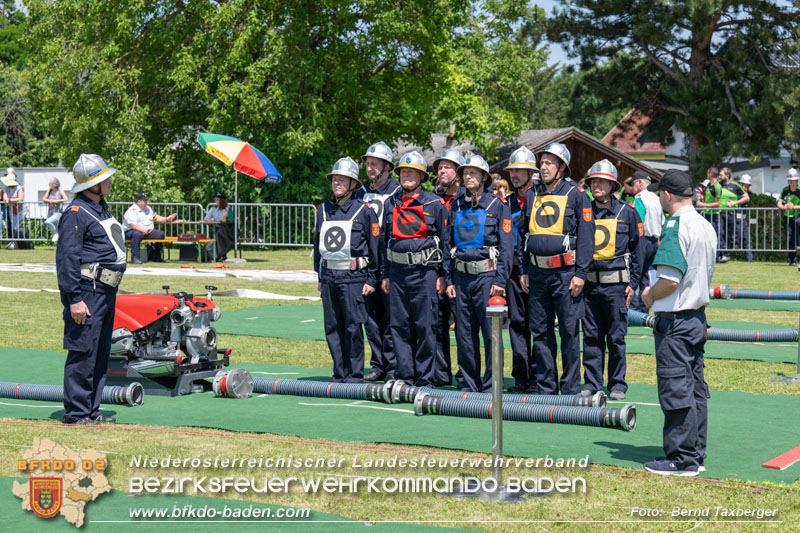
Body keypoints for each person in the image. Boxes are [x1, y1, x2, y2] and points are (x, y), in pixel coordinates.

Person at [641, 169, 716, 476]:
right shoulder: (705, 224)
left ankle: (681, 458)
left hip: (676, 319)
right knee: (695, 388)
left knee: (676, 388)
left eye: (660, 194)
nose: (659, 198)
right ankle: (694, 453)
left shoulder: (675, 225)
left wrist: (648, 296)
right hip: (697, 316)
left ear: (668, 196)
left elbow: (670, 280)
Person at [517, 142, 594, 395]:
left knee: (570, 333)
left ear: (562, 168)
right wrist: (524, 270)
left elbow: (586, 237)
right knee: (540, 332)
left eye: (550, 162)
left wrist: (581, 274)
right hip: (537, 275)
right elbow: (523, 234)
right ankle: (546, 387)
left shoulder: (577, 194)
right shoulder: (532, 194)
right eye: (543, 162)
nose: (544, 166)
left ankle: (571, 388)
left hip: (566, 275)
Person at [56, 154, 127, 425]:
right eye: (104, 178)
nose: (109, 181)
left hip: (105, 291)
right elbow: (67, 260)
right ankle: (76, 414)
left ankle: (91, 411)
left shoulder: (100, 208)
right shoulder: (76, 213)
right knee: (83, 351)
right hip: (87, 291)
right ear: (92, 185)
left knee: (99, 353)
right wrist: (74, 299)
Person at [445, 154, 513, 392]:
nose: (468, 177)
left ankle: (491, 385)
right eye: (465, 173)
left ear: (484, 177)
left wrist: (501, 280)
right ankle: (468, 384)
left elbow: (506, 246)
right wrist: (449, 278)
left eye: (473, 173)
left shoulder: (498, 205)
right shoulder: (456, 206)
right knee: (464, 335)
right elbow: (447, 245)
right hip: (461, 279)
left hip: (488, 279)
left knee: (491, 335)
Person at [382, 150, 448, 388]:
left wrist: (443, 276)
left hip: (425, 273)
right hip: (398, 274)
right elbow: (384, 242)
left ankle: (425, 379)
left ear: (421, 176)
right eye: (403, 172)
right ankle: (405, 376)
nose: (407, 176)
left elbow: (446, 241)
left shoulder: (435, 203)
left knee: (425, 326)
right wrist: (386, 274)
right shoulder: (391, 203)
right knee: (399, 326)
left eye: (412, 172)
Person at [581, 159, 644, 401]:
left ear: (612, 185)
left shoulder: (627, 212)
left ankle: (617, 384)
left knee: (616, 337)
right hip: (589, 285)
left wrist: (633, 284)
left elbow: (639, 251)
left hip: (617, 286)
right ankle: (592, 382)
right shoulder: (584, 211)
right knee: (591, 336)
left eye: (601, 181)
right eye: (593, 181)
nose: (596, 185)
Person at [313, 157, 379, 383]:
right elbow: (317, 245)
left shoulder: (364, 210)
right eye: (334, 180)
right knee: (332, 328)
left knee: (352, 327)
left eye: (343, 180)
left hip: (354, 278)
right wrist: (320, 276)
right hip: (330, 277)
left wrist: (372, 279)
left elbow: (374, 248)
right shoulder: (323, 210)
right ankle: (339, 373)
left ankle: (354, 375)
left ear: (353, 184)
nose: (337, 183)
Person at [504, 145, 556, 393]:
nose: (514, 175)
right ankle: (521, 377)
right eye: (512, 171)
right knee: (516, 323)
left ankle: (539, 377)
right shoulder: (505, 203)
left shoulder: (540, 198)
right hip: (513, 271)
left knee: (540, 325)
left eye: (520, 171)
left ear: (531, 173)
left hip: (537, 270)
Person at [355, 141, 400, 382]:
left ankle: (393, 367)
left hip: (389, 261)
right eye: (368, 164)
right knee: (371, 318)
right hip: (366, 264)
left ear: (387, 167)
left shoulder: (397, 191)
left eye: (375, 164)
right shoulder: (360, 193)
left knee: (391, 318)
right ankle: (378, 364)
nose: (370, 168)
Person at [431, 148, 466, 387]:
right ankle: (441, 373)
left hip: (459, 270)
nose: (442, 171)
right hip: (433, 270)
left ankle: (466, 374)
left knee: (463, 326)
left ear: (458, 173)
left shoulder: (468, 197)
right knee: (436, 322)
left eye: (447, 167)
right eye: (440, 167)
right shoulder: (432, 198)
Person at [629, 170, 665, 312]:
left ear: (640, 183)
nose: (632, 187)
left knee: (634, 275)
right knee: (648, 276)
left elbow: (638, 221)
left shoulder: (640, 198)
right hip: (655, 241)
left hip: (642, 241)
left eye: (633, 184)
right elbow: (662, 221)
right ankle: (644, 309)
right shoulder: (657, 199)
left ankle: (632, 311)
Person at [122, 192, 177, 263]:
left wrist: (167, 219)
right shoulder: (132, 210)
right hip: (131, 232)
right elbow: (133, 225)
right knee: (137, 234)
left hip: (146, 231)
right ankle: (135, 258)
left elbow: (157, 218)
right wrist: (144, 231)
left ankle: (156, 257)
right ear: (139, 201)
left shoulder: (149, 209)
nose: (146, 202)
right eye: (145, 200)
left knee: (161, 234)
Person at [716, 167, 748, 263]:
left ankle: (725, 253)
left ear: (727, 176)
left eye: (721, 175)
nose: (719, 177)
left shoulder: (735, 186)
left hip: (731, 213)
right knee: (719, 233)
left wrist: (735, 203)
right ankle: (723, 255)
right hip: (719, 213)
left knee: (730, 236)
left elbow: (746, 197)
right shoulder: (717, 185)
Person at [696, 167, 722, 253]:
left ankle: (716, 256)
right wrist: (700, 198)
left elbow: (717, 204)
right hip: (706, 214)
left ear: (710, 174)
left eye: (707, 173)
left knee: (714, 235)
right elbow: (709, 198)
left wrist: (702, 205)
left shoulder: (717, 186)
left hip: (713, 215)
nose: (707, 174)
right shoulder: (708, 185)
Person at [777, 168, 800, 267]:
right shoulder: (785, 190)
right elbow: (779, 203)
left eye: (792, 180)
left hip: (798, 215)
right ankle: (793, 260)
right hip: (788, 216)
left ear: (796, 180)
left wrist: (794, 207)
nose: (790, 181)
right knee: (790, 238)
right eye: (789, 180)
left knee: (798, 226)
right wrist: (784, 207)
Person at [204, 192, 235, 261]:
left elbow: (231, 221)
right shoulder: (213, 209)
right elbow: (206, 219)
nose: (216, 200)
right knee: (218, 233)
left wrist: (226, 219)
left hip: (227, 230)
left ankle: (219, 256)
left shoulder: (228, 209)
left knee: (220, 233)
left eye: (217, 199)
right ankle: (216, 255)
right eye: (215, 199)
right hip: (217, 228)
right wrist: (213, 220)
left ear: (222, 200)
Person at [2, 169, 26, 242]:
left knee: (17, 227)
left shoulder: (19, 187)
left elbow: (20, 199)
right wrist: (6, 199)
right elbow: (5, 196)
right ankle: (13, 242)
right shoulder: (6, 187)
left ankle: (18, 242)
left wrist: (10, 200)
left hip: (19, 210)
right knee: (12, 226)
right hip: (11, 210)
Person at [734, 174, 754, 262]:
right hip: (736, 218)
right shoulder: (738, 193)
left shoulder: (747, 193)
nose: (745, 187)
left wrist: (749, 190)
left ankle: (750, 259)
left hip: (743, 219)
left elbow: (749, 196)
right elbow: (745, 199)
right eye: (744, 185)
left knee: (747, 239)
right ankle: (724, 254)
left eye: (747, 186)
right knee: (735, 238)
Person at [44, 177, 69, 242]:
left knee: (47, 222)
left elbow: (66, 199)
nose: (48, 184)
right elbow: (44, 199)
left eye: (50, 182)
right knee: (56, 229)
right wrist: (50, 201)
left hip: (58, 212)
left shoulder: (60, 190)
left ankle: (55, 234)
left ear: (53, 184)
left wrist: (57, 201)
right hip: (50, 212)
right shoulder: (49, 191)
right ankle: (59, 245)